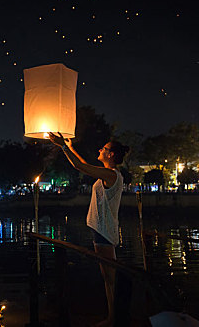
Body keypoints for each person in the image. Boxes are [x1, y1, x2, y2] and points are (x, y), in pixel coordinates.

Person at [48, 132, 129, 327]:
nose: (100, 150)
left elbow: (80, 166)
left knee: (110, 277)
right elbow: (83, 164)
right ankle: (113, 317)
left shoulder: (112, 175)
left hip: (104, 231)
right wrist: (70, 147)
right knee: (107, 277)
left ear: (110, 155)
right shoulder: (106, 173)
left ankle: (113, 319)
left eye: (104, 149)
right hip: (100, 230)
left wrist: (64, 147)